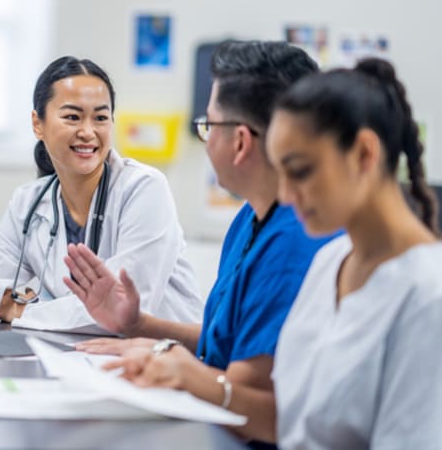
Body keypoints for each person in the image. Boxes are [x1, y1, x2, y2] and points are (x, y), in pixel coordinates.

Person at [64, 40, 333, 446]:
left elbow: (248, 397)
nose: (205, 141)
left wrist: (169, 363)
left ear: (240, 142)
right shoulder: (252, 217)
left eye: (208, 126)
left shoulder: (297, 240)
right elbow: (227, 341)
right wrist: (140, 326)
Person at [0, 55, 203, 331]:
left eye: (101, 118)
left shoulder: (143, 189)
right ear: (38, 124)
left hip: (165, 362)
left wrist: (25, 314)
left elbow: (124, 305)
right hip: (87, 357)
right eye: (72, 117)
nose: (88, 132)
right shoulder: (29, 202)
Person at [266, 58, 442, 449]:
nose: (285, 196)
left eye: (300, 170)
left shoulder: (428, 295)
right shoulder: (331, 260)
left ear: (364, 154)